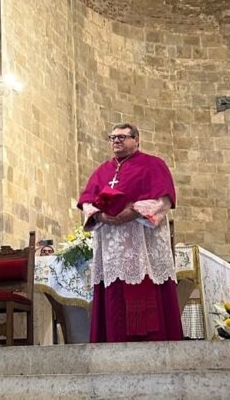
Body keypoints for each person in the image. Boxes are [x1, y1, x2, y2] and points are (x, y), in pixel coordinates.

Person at [78, 122, 182, 342]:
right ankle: (112, 342)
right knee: (114, 294)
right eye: (113, 137)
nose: (116, 141)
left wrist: (131, 213)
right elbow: (87, 201)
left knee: (145, 289)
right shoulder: (102, 170)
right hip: (111, 247)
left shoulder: (153, 164)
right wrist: (103, 216)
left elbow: (163, 200)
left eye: (122, 137)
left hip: (142, 242)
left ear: (136, 140)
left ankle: (151, 343)